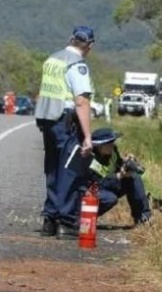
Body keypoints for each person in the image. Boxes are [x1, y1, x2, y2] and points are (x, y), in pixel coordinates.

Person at [35, 25, 96, 239]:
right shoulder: (77, 65)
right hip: (65, 122)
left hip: (47, 120)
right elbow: (81, 101)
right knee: (69, 170)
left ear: (71, 39)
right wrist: (88, 137)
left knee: (52, 169)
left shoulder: (52, 59)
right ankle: (66, 222)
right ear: (89, 46)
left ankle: (49, 220)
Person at [88, 127, 152, 225]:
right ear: (99, 146)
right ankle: (85, 217)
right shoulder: (90, 159)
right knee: (110, 198)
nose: (112, 145)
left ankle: (143, 217)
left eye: (113, 142)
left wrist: (126, 164)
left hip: (110, 184)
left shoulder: (113, 151)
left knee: (134, 177)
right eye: (109, 143)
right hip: (92, 190)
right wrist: (119, 176)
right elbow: (98, 183)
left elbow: (118, 165)